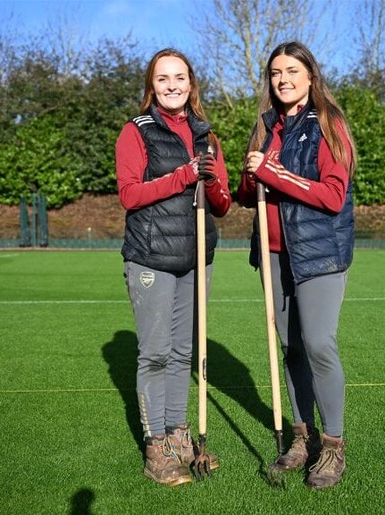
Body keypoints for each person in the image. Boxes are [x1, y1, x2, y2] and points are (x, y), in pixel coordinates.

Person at [237, 41, 356, 489]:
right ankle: (301, 438)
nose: (282, 79)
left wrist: (272, 172)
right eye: (274, 73)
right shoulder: (267, 126)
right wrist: (251, 177)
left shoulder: (329, 122)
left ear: (310, 75)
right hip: (273, 255)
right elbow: (252, 195)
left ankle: (332, 446)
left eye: (291, 70)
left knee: (319, 344)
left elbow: (331, 195)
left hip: (319, 253)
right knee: (290, 349)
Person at [116, 48, 232, 486]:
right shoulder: (136, 131)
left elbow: (219, 206)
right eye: (163, 79)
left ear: (191, 83)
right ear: (152, 86)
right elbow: (130, 194)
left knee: (184, 352)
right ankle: (156, 447)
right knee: (157, 353)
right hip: (151, 258)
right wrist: (185, 175)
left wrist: (215, 183)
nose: (172, 85)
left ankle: (179, 435)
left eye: (179, 77)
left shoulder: (206, 134)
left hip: (196, 258)